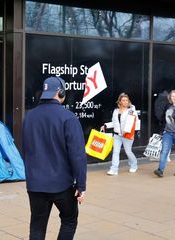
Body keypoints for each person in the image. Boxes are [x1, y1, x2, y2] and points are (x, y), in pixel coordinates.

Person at [22, 76, 87, 240]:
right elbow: (77, 155)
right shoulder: (68, 118)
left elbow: (26, 150)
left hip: (35, 184)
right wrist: (81, 184)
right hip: (62, 184)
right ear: (61, 92)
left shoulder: (29, 117)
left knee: (37, 227)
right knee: (69, 220)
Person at [100, 93, 138, 176]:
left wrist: (126, 130)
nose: (125, 102)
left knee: (128, 152)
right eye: (123, 100)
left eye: (126, 100)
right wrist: (106, 125)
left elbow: (133, 122)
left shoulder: (131, 111)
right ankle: (114, 169)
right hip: (117, 135)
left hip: (127, 135)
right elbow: (115, 123)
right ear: (119, 102)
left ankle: (134, 164)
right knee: (115, 152)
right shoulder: (116, 111)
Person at [154, 90, 175, 177]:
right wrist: (162, 130)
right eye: (173, 96)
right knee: (164, 151)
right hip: (168, 132)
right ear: (170, 97)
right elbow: (163, 119)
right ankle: (160, 170)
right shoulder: (168, 106)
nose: (174, 98)